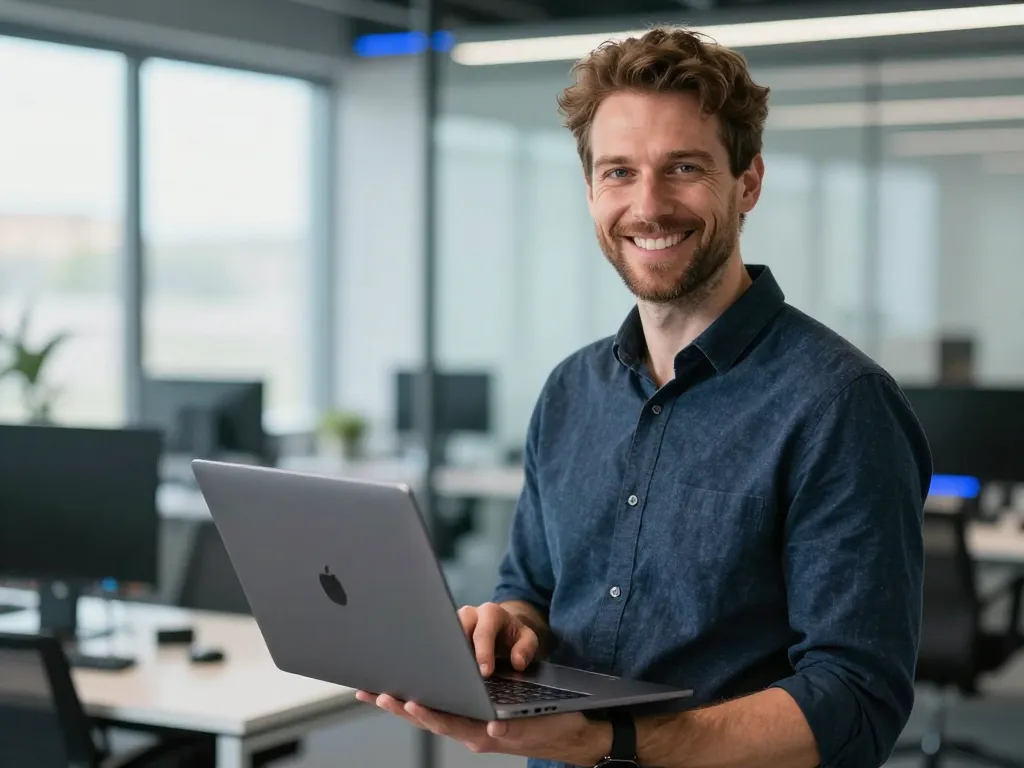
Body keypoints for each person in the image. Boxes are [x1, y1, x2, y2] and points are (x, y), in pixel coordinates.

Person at [357, 26, 932, 768]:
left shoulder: (840, 405)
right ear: (592, 189)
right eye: (619, 172)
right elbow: (529, 584)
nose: (648, 205)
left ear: (748, 181)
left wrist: (615, 742)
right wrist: (507, 625)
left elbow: (856, 701)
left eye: (683, 167)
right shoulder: (570, 391)